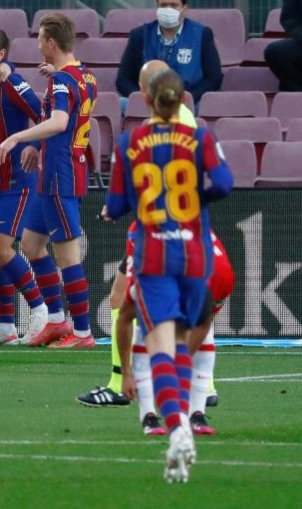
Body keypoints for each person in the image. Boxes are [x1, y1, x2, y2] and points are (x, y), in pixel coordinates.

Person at [104, 69, 233, 483]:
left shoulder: (131, 142)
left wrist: (123, 207)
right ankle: (184, 418)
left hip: (154, 251)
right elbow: (225, 184)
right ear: (183, 101)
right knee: (182, 342)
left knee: (160, 340)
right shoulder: (201, 137)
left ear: (145, 98)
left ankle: (176, 427)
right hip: (195, 254)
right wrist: (195, 200)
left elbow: (118, 202)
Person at [83, 59, 198, 405]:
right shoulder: (185, 119)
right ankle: (202, 386)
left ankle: (121, 385)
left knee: (124, 302)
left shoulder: (156, 128)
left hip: (157, 230)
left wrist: (115, 206)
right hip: (181, 227)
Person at [0, 13, 97, 349]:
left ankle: (82, 334)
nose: (38, 45)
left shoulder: (62, 82)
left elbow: (59, 121)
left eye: (40, 40)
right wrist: (38, 147)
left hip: (60, 177)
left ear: (51, 44)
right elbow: (69, 116)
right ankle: (56, 321)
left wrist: (17, 139)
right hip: (51, 174)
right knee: (31, 245)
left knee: (68, 256)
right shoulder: (84, 76)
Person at [87, 223, 234, 437]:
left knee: (143, 323)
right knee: (191, 323)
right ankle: (194, 409)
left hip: (194, 271)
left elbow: (125, 318)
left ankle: (149, 412)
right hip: (207, 269)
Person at [0, 27, 52, 346]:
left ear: (1, 54)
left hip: (18, 182)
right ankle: (5, 325)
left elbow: (47, 116)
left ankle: (40, 310)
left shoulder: (12, 83)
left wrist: (36, 147)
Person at [116, 0, 223, 106]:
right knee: (120, 104)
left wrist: (188, 98)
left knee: (207, 106)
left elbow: (214, 78)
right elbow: (123, 80)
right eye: (163, 5)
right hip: (148, 102)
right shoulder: (139, 35)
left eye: (174, 5)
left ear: (184, 8)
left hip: (188, 102)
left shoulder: (202, 34)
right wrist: (145, 98)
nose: (168, 9)